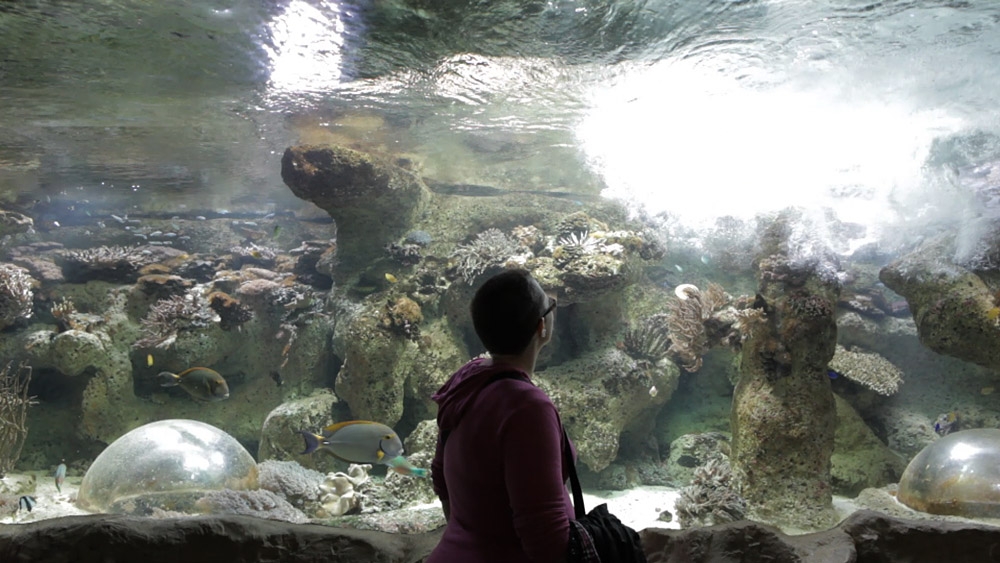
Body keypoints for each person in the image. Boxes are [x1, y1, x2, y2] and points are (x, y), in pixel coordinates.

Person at [427, 269, 573, 563]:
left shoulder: (466, 380)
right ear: (541, 327)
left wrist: (473, 535)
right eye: (550, 305)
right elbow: (546, 534)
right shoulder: (528, 407)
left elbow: (441, 477)